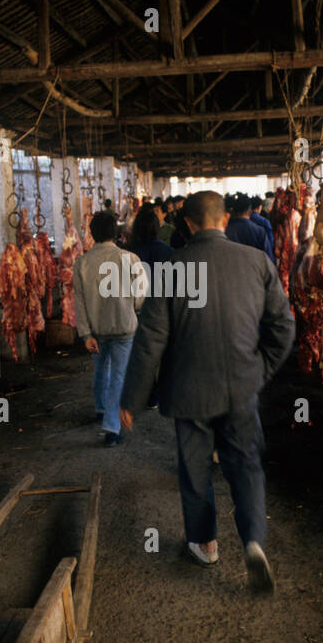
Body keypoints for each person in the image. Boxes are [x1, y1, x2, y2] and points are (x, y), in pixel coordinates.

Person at [120, 190, 295, 594]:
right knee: (246, 463)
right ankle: (252, 541)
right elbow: (284, 327)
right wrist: (261, 369)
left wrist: (131, 398)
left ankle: (206, 544)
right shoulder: (256, 262)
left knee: (195, 468)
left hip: (188, 391)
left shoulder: (172, 268)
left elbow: (150, 341)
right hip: (241, 385)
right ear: (223, 221)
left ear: (189, 224)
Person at [73, 211, 144, 446]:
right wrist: (132, 308)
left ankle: (101, 408)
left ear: (92, 235)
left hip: (96, 329)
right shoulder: (131, 259)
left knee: (100, 368)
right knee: (119, 375)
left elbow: (80, 303)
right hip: (124, 326)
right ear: (116, 233)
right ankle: (112, 428)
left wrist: (85, 334)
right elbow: (141, 296)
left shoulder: (81, 263)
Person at [249, 195, 276, 261]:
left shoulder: (247, 219)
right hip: (262, 255)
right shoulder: (264, 221)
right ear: (260, 207)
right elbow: (270, 241)